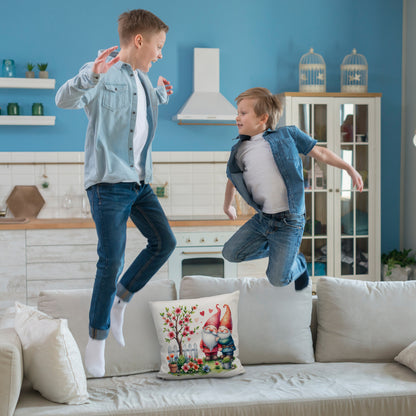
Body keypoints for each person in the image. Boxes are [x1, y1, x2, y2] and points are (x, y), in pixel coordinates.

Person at [55, 9, 176, 377]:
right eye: (158, 46)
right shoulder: (102, 75)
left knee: (164, 243)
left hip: (139, 183)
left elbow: (138, 118)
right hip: (108, 182)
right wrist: (90, 75)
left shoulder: (142, 81)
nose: (160, 54)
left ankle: (122, 300)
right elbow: (64, 99)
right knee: (112, 259)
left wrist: (161, 95)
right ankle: (97, 340)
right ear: (138, 41)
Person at [222, 87, 363, 290]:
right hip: (264, 219)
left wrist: (348, 168)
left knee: (277, 279)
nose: (237, 117)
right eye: (237, 113)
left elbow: (321, 153)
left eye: (243, 113)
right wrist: (228, 206)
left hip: (290, 221)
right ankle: (282, 252)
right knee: (230, 253)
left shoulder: (287, 135)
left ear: (263, 118)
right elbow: (232, 179)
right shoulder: (239, 150)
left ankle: (298, 263)